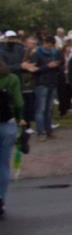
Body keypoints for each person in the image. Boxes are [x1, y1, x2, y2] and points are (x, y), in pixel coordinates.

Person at [0, 61, 23, 220]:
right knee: (3, 164)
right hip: (7, 125)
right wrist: (20, 118)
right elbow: (19, 103)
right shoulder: (11, 79)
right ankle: (1, 199)